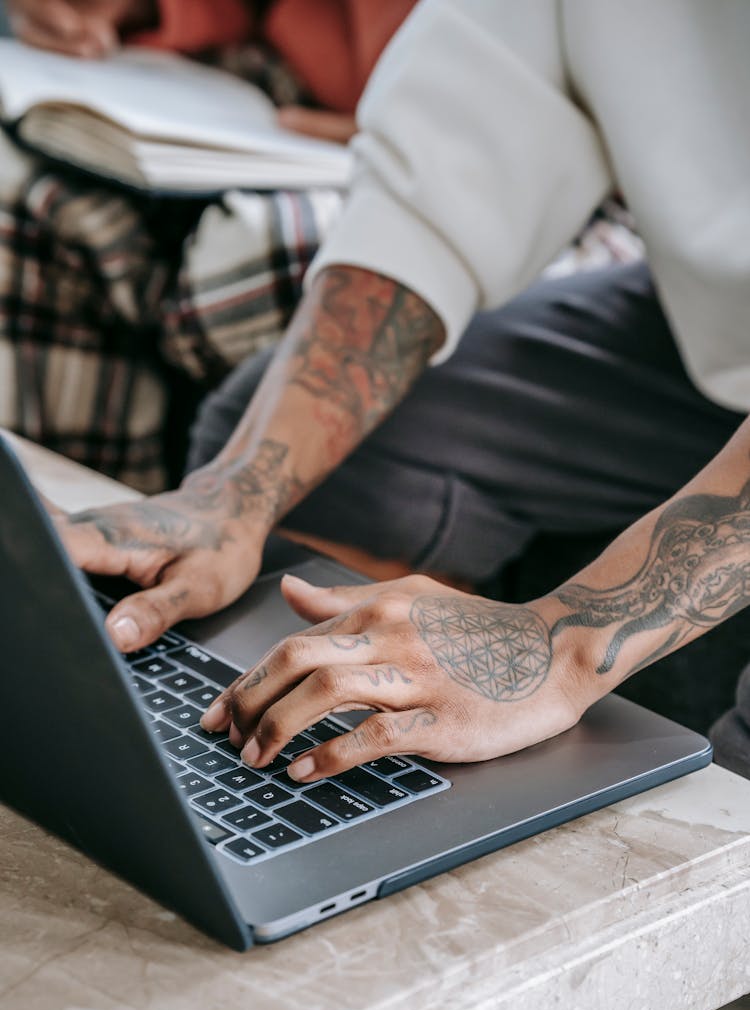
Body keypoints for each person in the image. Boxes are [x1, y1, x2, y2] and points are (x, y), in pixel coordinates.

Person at [48, 0, 749, 786]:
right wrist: (232, 490)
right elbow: (447, 162)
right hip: (711, 323)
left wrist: (559, 645)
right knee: (289, 459)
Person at [0, 0, 415, 489]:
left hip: (402, 156)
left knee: (241, 268)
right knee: (30, 197)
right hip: (251, 89)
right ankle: (47, 530)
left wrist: (419, 140)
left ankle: (117, 526)